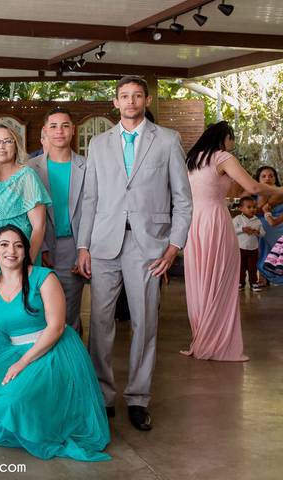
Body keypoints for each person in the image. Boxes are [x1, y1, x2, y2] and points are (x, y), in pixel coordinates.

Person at [77, 75, 193, 431]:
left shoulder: (168, 140)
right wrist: (83, 245)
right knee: (100, 323)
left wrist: (174, 246)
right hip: (103, 243)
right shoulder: (98, 143)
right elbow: (90, 198)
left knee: (145, 323)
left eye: (137, 95)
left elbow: (183, 199)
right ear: (115, 102)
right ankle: (103, 395)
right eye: (124, 96)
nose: (130, 101)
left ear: (146, 100)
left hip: (149, 246)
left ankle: (139, 398)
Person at [0, 225, 110, 461]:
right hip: (14, 350)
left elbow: (56, 327)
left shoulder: (44, 278)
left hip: (50, 348)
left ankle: (47, 425)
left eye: (18, 245)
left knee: (14, 396)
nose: (11, 251)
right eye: (4, 245)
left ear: (26, 251)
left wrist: (22, 363)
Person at [182, 121, 283, 362]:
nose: (233, 143)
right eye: (232, 138)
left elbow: (232, 192)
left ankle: (201, 339)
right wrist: (280, 190)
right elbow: (253, 186)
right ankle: (216, 344)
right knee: (221, 278)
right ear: (224, 138)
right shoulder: (222, 157)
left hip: (193, 222)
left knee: (200, 280)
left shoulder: (193, 159)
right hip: (215, 220)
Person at [27, 108, 86, 334]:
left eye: (65, 126)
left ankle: (71, 355)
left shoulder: (88, 166)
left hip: (74, 246)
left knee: (70, 313)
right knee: (40, 311)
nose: (59, 131)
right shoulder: (31, 168)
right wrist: (39, 247)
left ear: (73, 130)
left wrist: (84, 248)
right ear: (45, 131)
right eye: (53, 126)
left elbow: (94, 210)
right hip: (38, 246)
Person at [0, 124, 50, 269]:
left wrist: (27, 263)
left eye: (8, 141)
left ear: (16, 146)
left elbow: (39, 226)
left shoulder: (26, 177)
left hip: (18, 257)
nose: (1, 146)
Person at [255, 166, 283, 286]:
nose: (268, 178)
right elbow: (256, 211)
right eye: (264, 176)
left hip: (279, 221)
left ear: (275, 178)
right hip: (264, 222)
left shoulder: (280, 191)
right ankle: (264, 274)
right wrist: (264, 193)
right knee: (259, 229)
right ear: (258, 179)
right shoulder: (255, 194)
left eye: (271, 176)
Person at [233, 196, 265, 291]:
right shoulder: (237, 219)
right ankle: (240, 283)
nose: (252, 209)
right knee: (241, 267)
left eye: (254, 207)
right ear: (241, 208)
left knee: (252, 267)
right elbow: (232, 230)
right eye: (249, 207)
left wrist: (258, 232)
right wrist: (242, 229)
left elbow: (263, 234)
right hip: (240, 248)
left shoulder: (257, 220)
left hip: (253, 249)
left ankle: (253, 283)